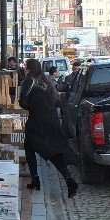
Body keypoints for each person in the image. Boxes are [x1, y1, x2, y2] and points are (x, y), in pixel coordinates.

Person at [19, 59, 79, 198]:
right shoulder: (45, 80)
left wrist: (29, 104)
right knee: (39, 148)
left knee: (40, 149)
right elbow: (57, 100)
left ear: (28, 68)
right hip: (51, 119)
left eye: (25, 67)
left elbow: (23, 103)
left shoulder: (29, 80)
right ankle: (42, 179)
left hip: (37, 120)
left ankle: (43, 179)